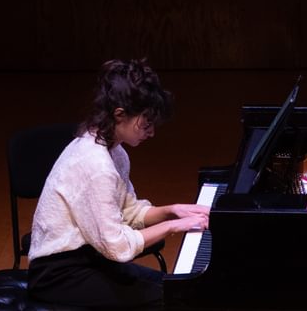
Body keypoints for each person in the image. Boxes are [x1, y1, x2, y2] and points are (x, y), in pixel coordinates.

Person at [27, 59, 210, 310]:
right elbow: (118, 247)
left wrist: (172, 209)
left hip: (91, 258)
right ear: (119, 114)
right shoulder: (96, 164)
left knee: (176, 288)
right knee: (172, 298)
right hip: (58, 275)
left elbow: (128, 212)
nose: (152, 132)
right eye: (146, 123)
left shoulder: (114, 151)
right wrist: (173, 226)